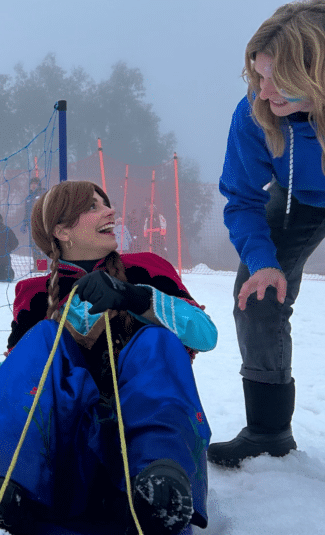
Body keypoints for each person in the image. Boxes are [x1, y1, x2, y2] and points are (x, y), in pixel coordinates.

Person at [0, 181, 217, 535]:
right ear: (61, 231)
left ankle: (159, 484)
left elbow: (205, 335)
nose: (110, 211)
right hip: (65, 451)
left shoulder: (147, 269)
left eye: (106, 203)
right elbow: (18, 378)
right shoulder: (34, 294)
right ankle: (6, 485)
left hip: (135, 442)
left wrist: (134, 298)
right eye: (93, 206)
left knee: (155, 340)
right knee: (42, 338)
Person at [211, 0, 325, 469]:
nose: (263, 91)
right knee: (257, 294)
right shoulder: (255, 113)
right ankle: (267, 432)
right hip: (301, 199)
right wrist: (262, 262)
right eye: (259, 75)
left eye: (279, 79)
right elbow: (241, 197)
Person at [22, 178, 48, 270]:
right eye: (32, 184)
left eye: (35, 183)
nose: (33, 185)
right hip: (31, 227)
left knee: (41, 247)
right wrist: (24, 223)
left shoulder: (42, 194)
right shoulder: (28, 198)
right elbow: (27, 213)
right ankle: (37, 267)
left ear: (39, 185)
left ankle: (43, 267)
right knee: (34, 247)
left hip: (41, 226)